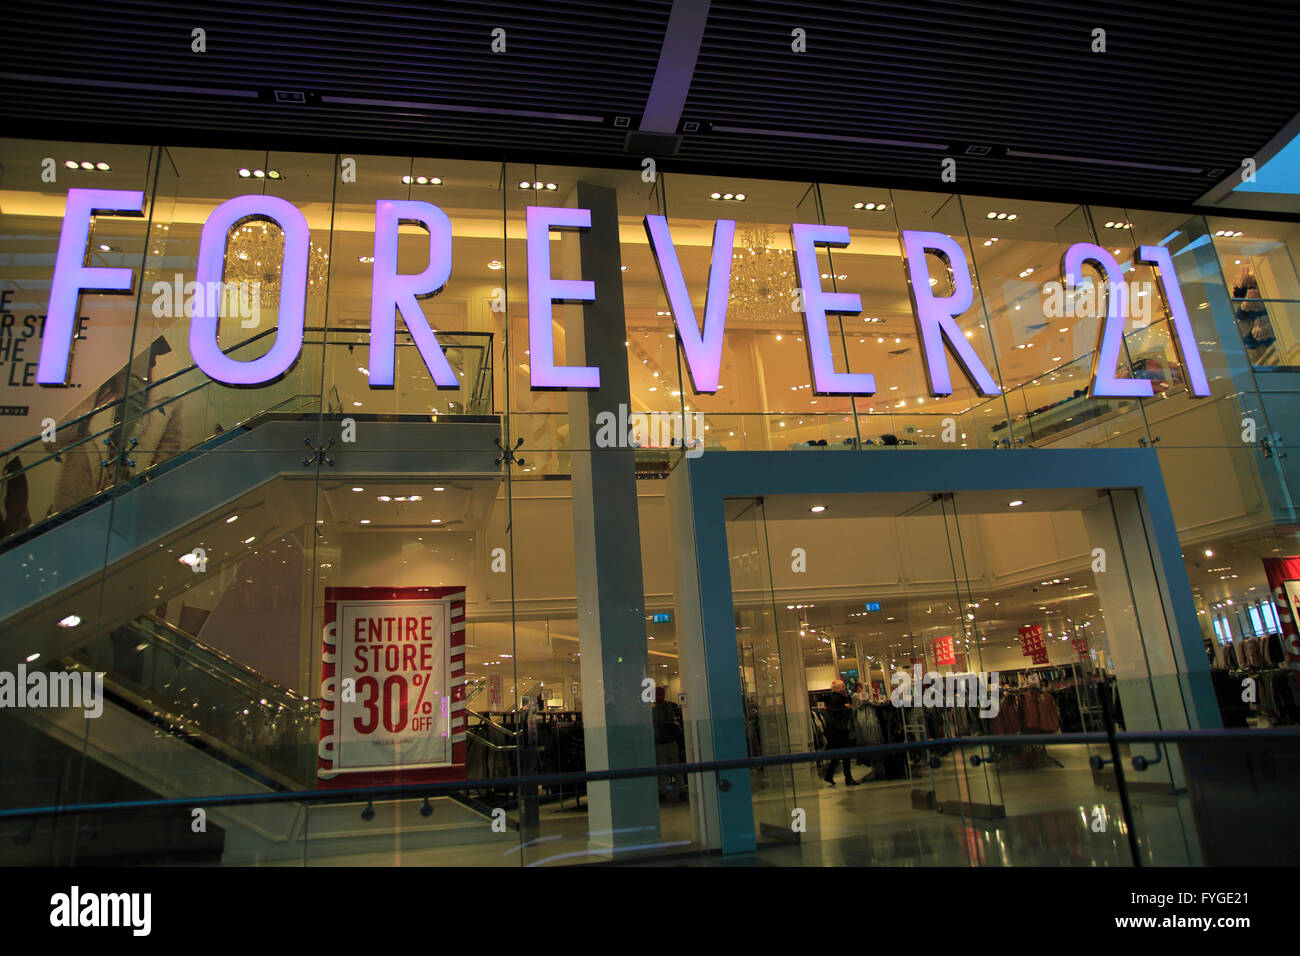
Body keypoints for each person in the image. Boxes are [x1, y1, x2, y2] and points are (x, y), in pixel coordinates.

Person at [821, 679, 858, 786]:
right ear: (837, 688)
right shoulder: (838, 699)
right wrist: (847, 708)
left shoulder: (834, 698)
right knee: (845, 754)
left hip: (835, 731)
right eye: (842, 686)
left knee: (837, 754)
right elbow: (839, 714)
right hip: (840, 731)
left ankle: (830, 775)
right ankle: (848, 778)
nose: (844, 687)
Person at [652, 687, 686, 800]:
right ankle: (681, 790)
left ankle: (663, 792)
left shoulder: (653, 711)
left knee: (661, 771)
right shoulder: (673, 706)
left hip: (659, 745)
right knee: (676, 768)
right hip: (672, 743)